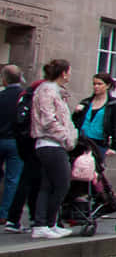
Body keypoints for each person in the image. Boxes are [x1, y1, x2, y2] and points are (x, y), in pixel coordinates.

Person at [29, 60, 76, 239]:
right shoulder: (48, 90)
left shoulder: (53, 91)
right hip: (51, 144)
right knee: (62, 184)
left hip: (52, 144)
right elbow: (48, 119)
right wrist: (66, 136)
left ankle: (47, 223)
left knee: (48, 185)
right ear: (63, 73)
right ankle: (45, 223)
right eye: (69, 71)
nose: (70, 75)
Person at [0, 65, 25, 232]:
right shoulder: (23, 96)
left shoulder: (1, 96)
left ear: (4, 79)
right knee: (12, 179)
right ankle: (4, 213)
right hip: (16, 141)